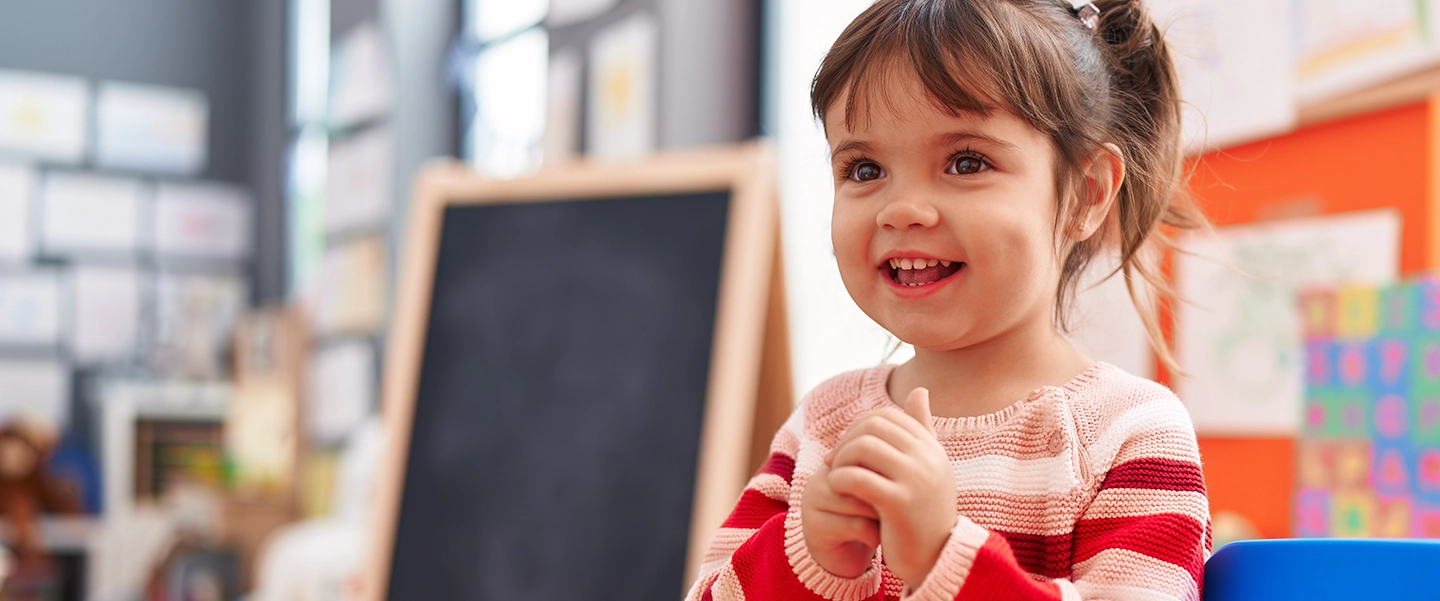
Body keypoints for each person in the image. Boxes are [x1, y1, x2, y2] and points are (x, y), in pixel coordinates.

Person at [686, 0, 1211, 599]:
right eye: (863, 169)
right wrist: (808, 553)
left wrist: (945, 557)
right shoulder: (820, 426)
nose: (901, 208)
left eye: (966, 162)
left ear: (1088, 194)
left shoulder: (1129, 432)